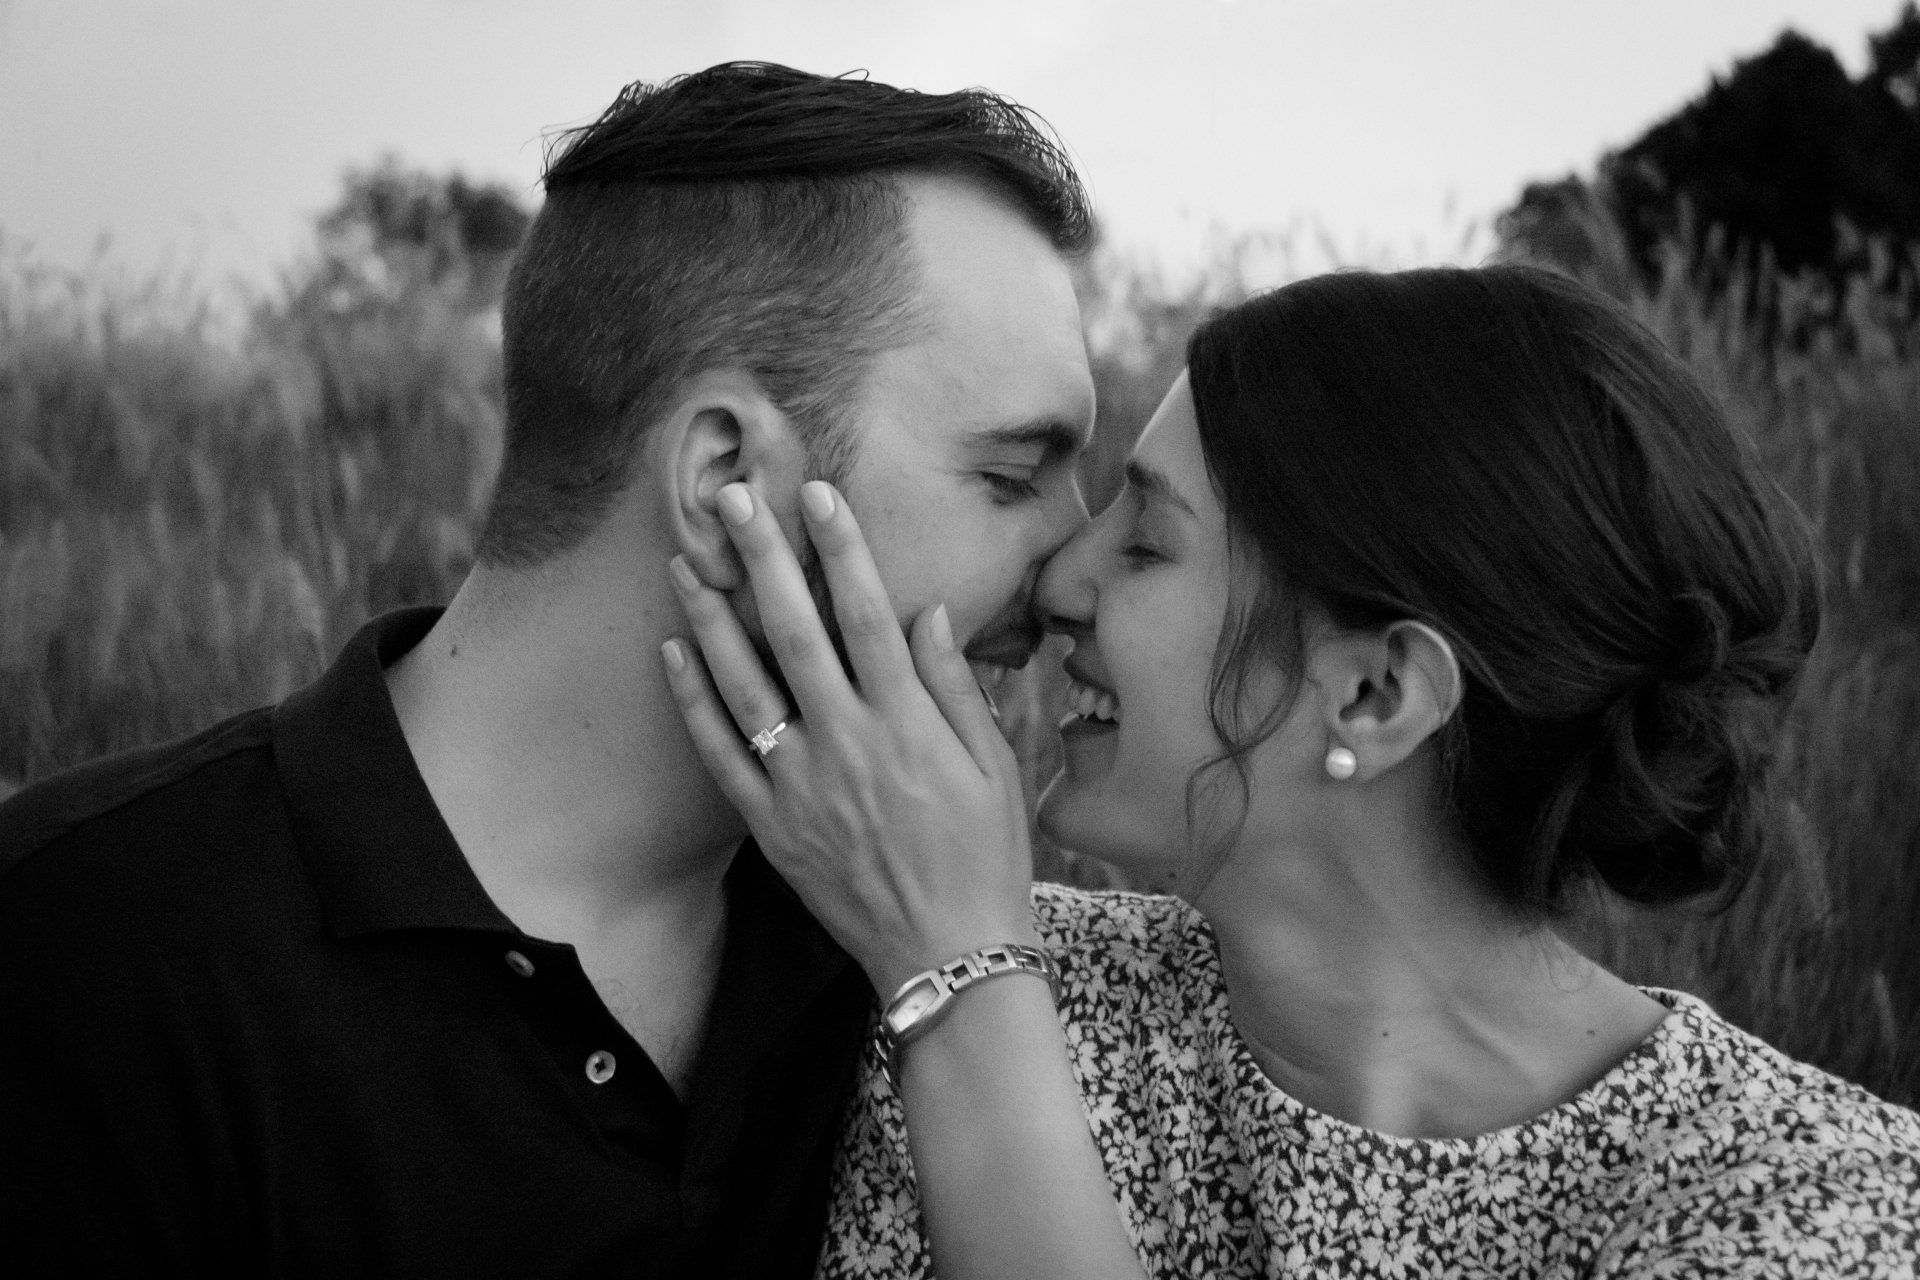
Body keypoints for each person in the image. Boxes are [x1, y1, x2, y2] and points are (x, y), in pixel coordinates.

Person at [0, 63, 1097, 1277]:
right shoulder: (78, 947)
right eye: (1011, 475)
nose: (1079, 564)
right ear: (725, 476)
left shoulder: (936, 941)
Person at [664, 264, 1920, 1278]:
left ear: (1377, 695)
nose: (1059, 581)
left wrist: (964, 990)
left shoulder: (1806, 1199)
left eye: (1148, 540)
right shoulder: (979, 955)